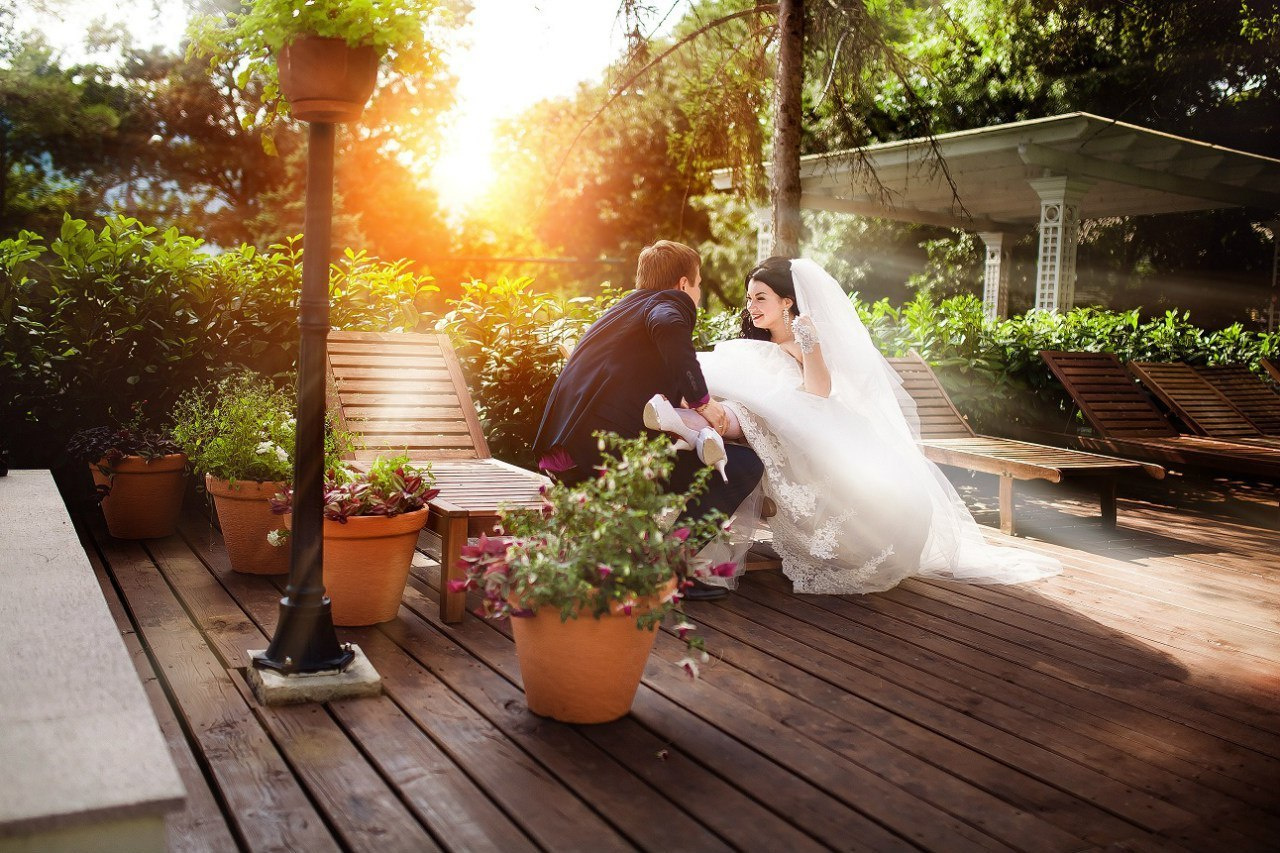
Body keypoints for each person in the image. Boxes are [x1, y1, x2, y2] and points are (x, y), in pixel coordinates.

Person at [646, 256, 1061, 595]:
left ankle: (692, 430)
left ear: (788, 302)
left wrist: (809, 344)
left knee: (747, 411)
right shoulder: (756, 346)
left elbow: (817, 392)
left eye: (761, 298)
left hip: (790, 419)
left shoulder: (801, 338)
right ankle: (690, 427)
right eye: (749, 298)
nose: (751, 306)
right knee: (725, 396)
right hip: (751, 413)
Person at [533, 240, 766, 599]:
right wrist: (703, 402)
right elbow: (667, 325)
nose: (699, 293)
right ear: (684, 284)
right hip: (601, 457)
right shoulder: (668, 304)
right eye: (700, 284)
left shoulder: (623, 309)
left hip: (565, 453)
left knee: (710, 456)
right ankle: (664, 574)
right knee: (742, 465)